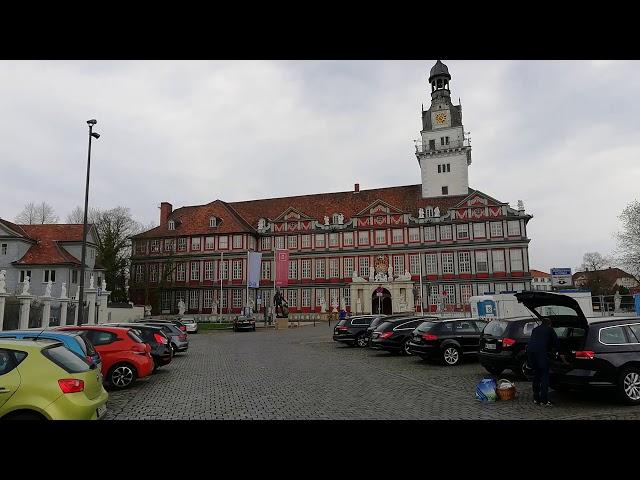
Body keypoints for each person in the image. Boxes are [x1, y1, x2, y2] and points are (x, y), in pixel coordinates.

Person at [527, 317, 559, 406]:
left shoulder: (535, 329)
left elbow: (535, 341)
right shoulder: (549, 329)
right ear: (550, 323)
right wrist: (557, 351)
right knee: (544, 376)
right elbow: (556, 342)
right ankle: (544, 400)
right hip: (541, 354)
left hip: (531, 353)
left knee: (536, 375)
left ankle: (536, 398)